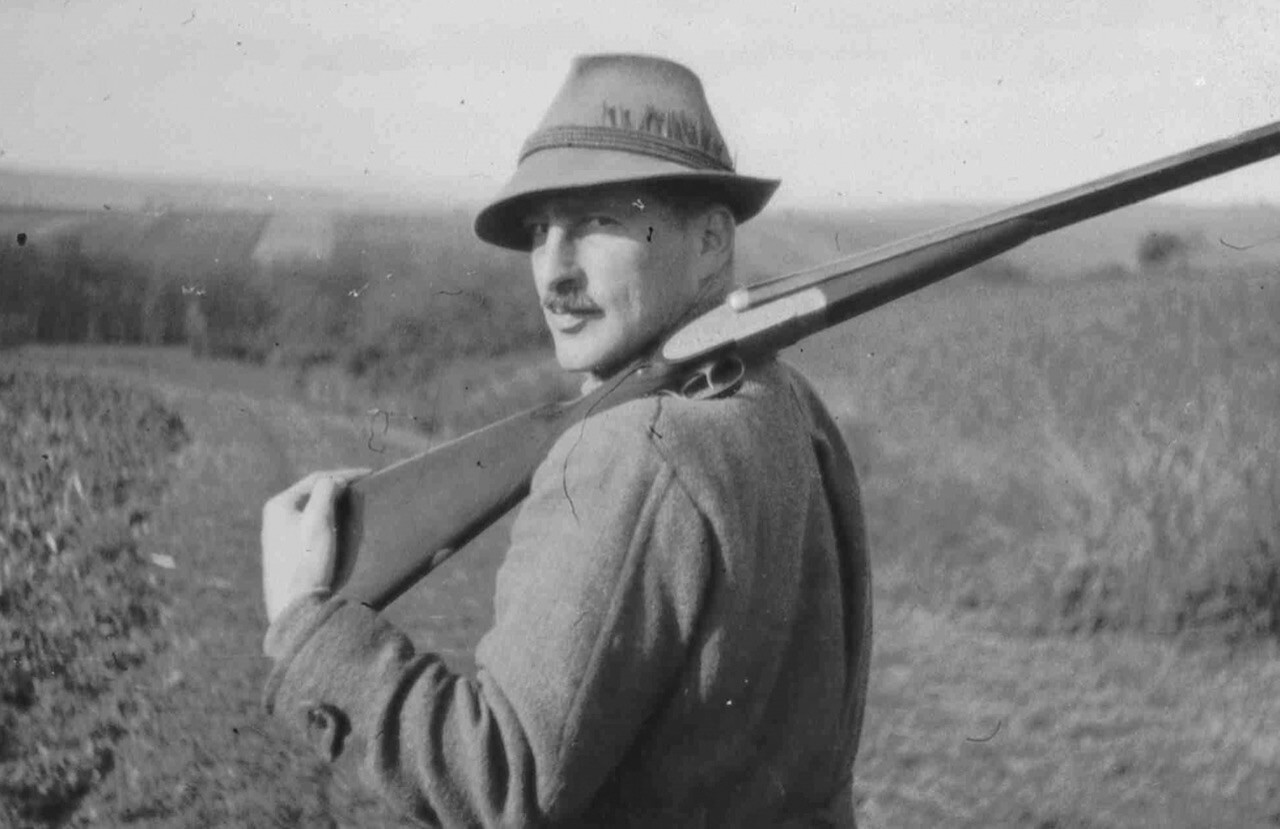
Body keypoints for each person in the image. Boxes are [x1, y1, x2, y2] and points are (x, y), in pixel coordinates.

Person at [260, 53, 873, 828]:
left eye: (596, 222)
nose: (553, 272)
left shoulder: (631, 450)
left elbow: (498, 781)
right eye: (541, 231)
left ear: (713, 239)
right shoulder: (786, 400)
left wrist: (309, 627)